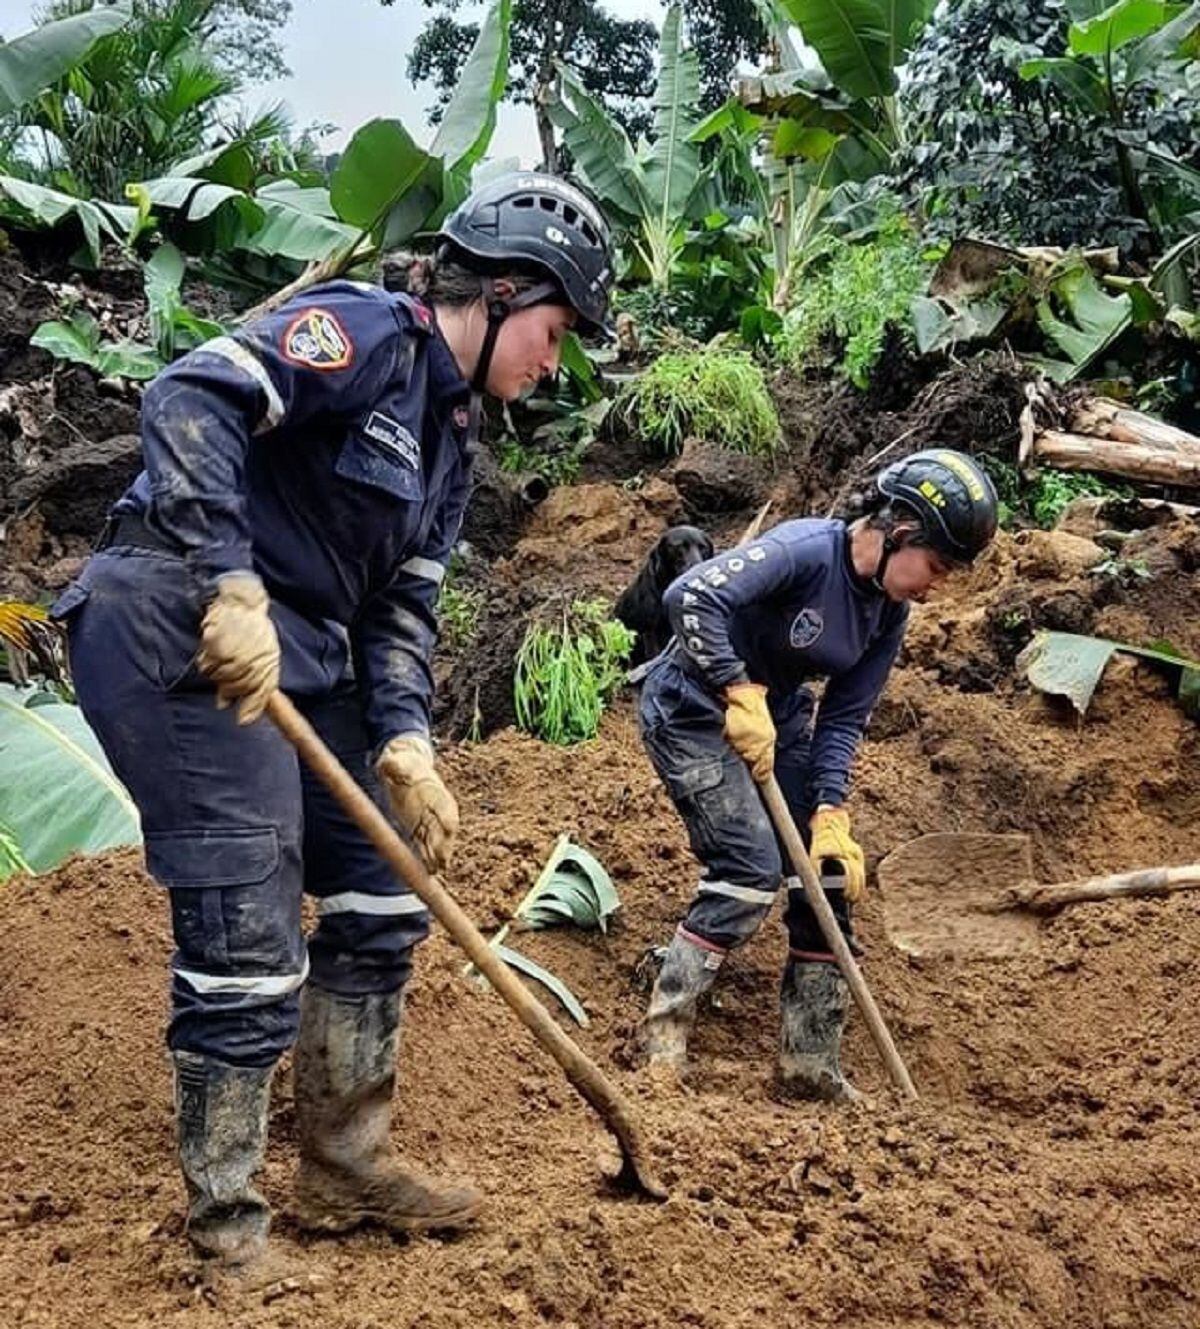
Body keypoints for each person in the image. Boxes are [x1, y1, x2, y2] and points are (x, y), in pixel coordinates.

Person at [50, 172, 614, 1281]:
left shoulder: (454, 445)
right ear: (502, 291)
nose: (555, 362)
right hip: (175, 621)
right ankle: (227, 1230)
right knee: (251, 913)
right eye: (555, 332)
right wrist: (231, 585)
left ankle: (344, 1166)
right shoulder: (366, 331)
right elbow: (190, 397)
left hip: (309, 661)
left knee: (381, 883)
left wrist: (407, 740)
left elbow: (402, 608)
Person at [637, 449, 998, 1100]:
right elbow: (688, 596)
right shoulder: (804, 550)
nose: (936, 584)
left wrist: (830, 811)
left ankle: (809, 1066)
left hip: (774, 723)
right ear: (901, 533)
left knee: (829, 875)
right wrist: (734, 686)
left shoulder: (888, 612)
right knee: (748, 869)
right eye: (938, 566)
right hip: (689, 710)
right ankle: (661, 1045)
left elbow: (840, 720)